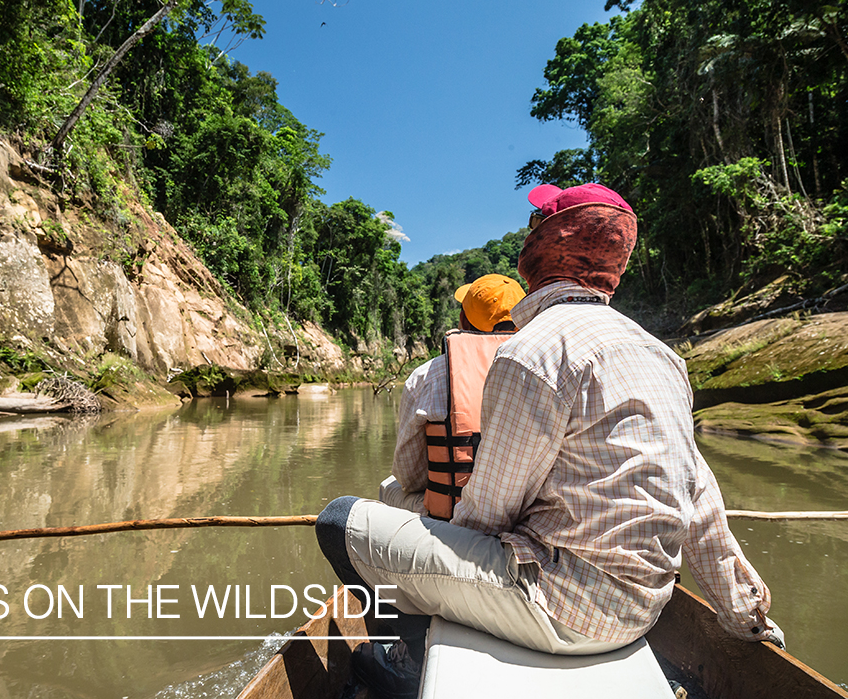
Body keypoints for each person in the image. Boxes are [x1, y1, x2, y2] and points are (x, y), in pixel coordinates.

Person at [317, 183, 782, 697]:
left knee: (340, 520)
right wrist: (744, 610)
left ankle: (406, 664)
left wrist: (431, 539)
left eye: (535, 225)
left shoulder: (533, 351)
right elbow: (701, 499)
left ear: (543, 249)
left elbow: (487, 517)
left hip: (558, 609)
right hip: (647, 608)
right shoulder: (661, 356)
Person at [379, 273, 525, 519]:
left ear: (463, 322)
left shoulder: (427, 376)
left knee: (389, 487)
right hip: (521, 514)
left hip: (454, 514)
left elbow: (408, 477)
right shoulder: (544, 370)